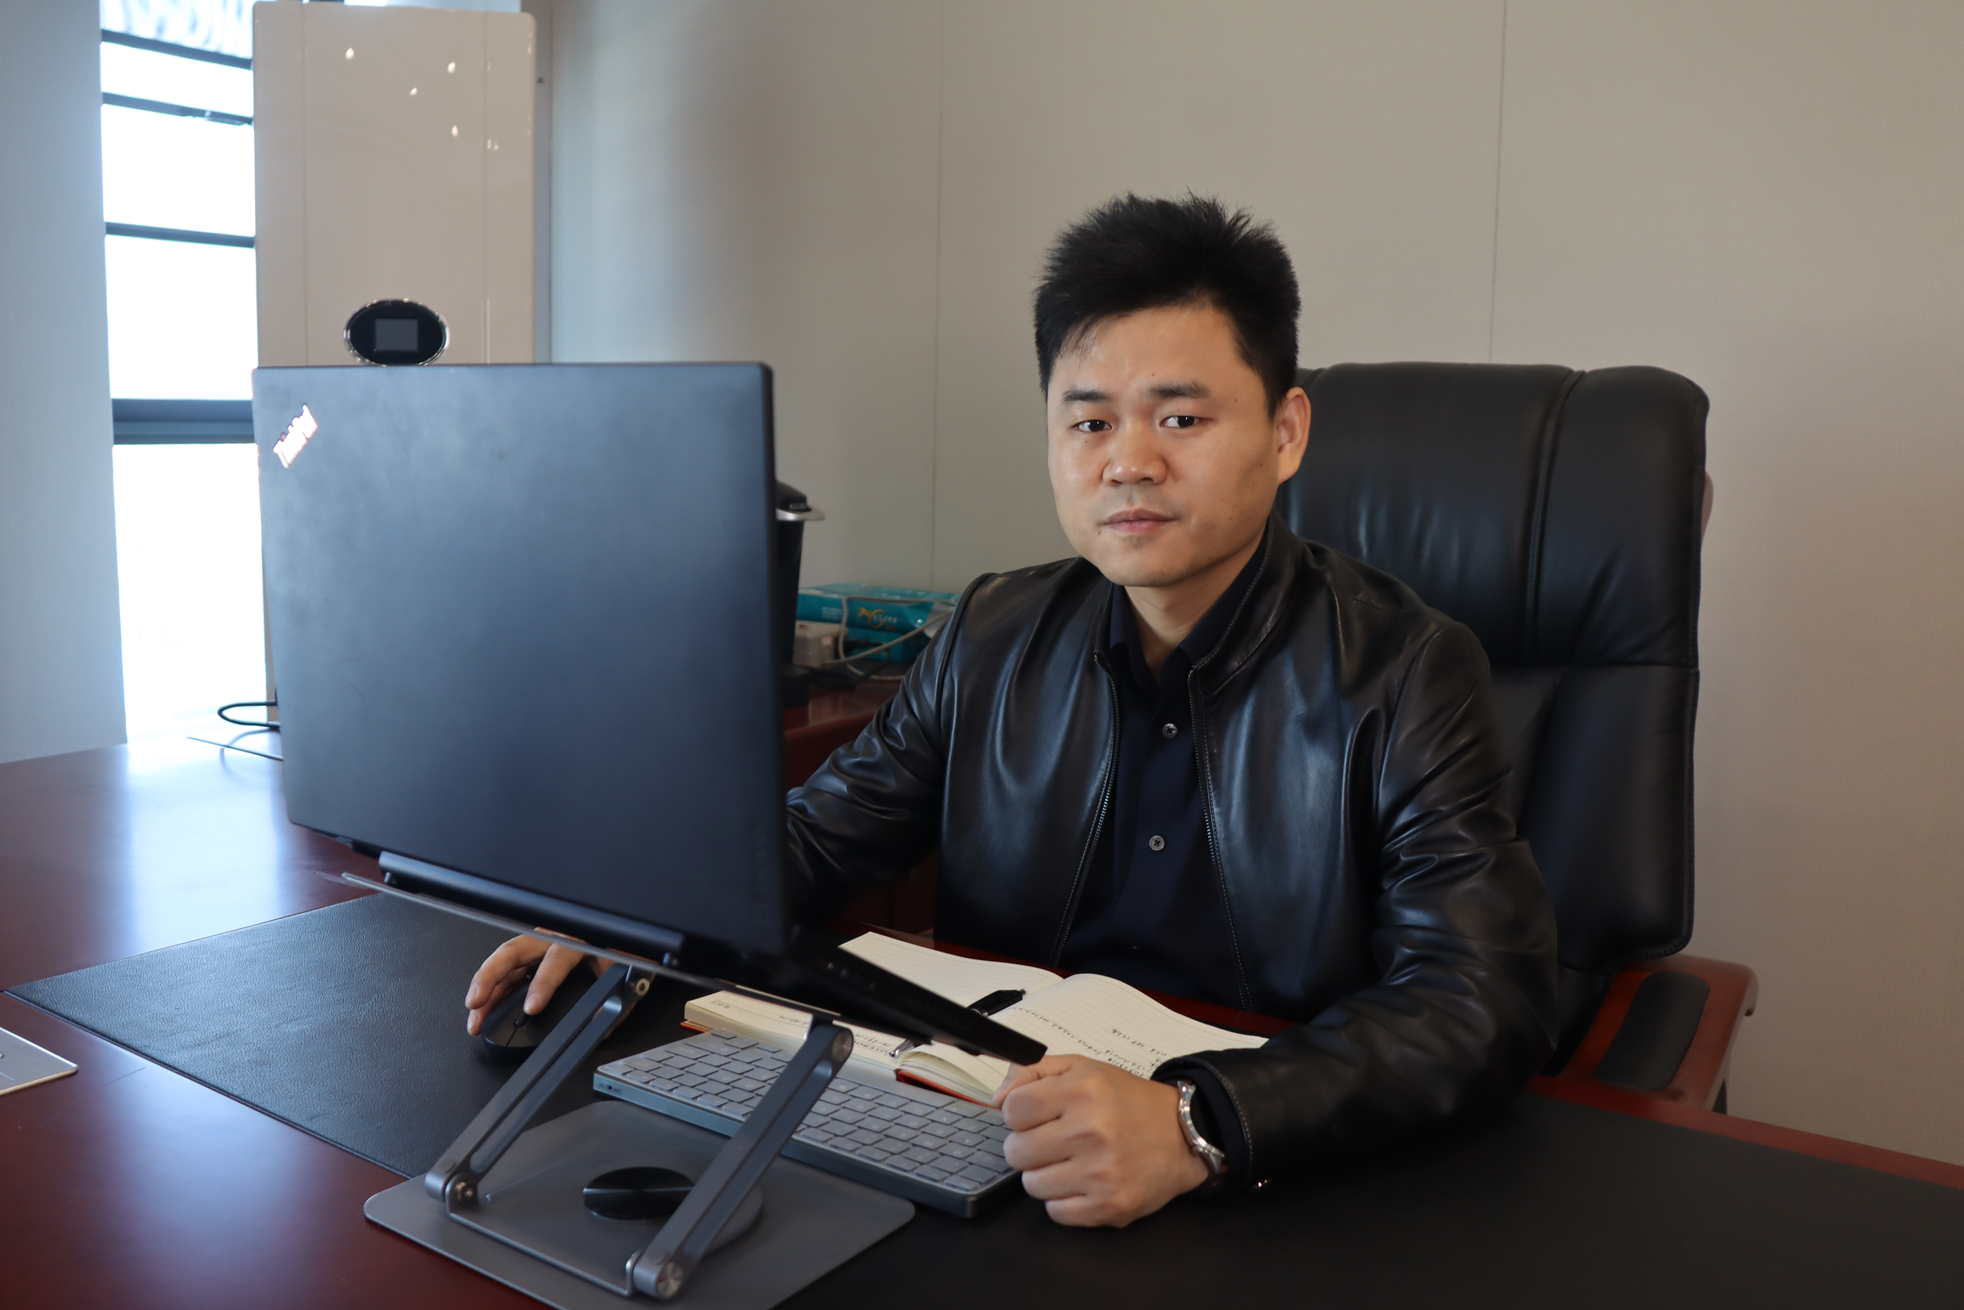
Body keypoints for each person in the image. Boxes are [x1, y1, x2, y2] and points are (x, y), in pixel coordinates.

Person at [467, 194, 1558, 1228]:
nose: (1128, 462)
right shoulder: (993, 632)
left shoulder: (1406, 670)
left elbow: (1477, 997)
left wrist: (1202, 1123)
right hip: (995, 1145)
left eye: (1180, 416)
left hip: (1263, 1180)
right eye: (1088, 421)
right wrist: (630, 923)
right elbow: (813, 838)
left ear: (1285, 432)